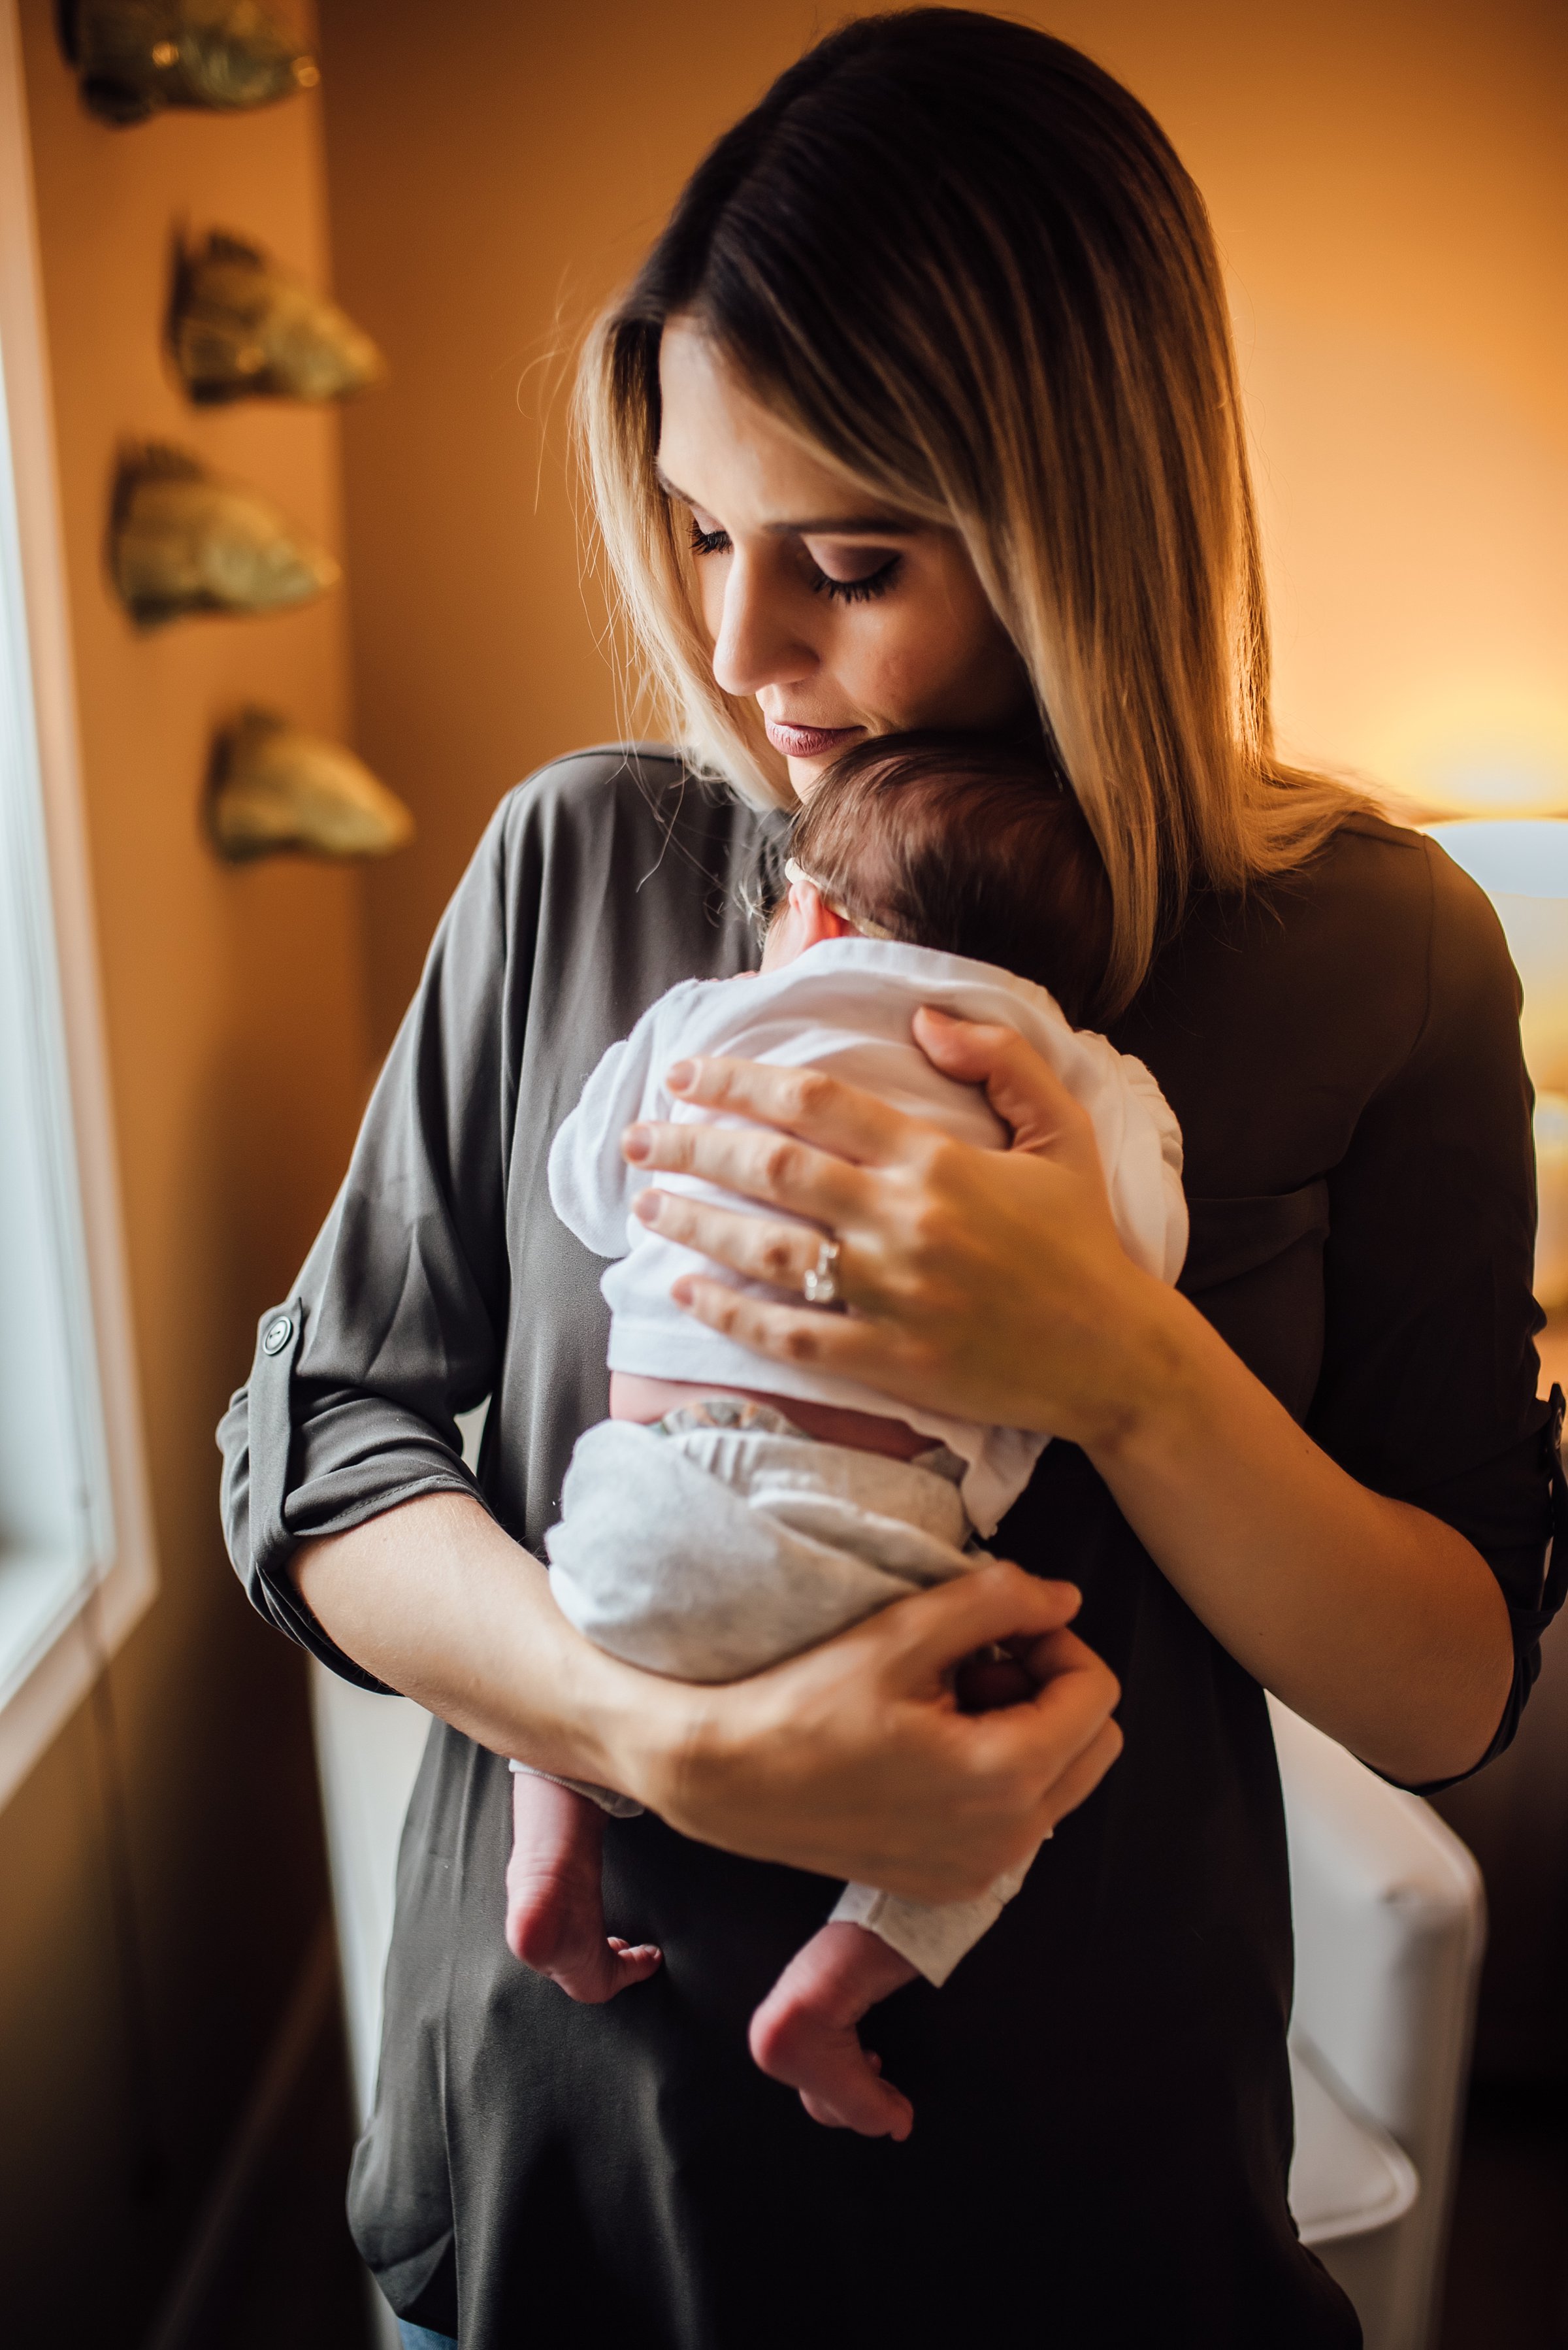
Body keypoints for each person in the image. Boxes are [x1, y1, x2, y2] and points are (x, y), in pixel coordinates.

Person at [218, 14, 1562, 2347]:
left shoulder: (1372, 949)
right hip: (558, 2170)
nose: (744, 650)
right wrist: (644, 1730)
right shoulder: (589, 865)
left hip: (1080, 2194)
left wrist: (1118, 1365)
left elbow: (1454, 1683)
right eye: (705, 529)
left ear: (1083, 513)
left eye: (843, 556)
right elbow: (310, 1444)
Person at [502, 734, 1188, 2143]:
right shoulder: (1063, 1069)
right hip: (867, 1541)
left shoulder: (718, 1010)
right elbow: (1144, 1262)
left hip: (635, 1507)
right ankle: (828, 1993)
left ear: (807, 912)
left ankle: (549, 1859)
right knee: (1040, 1748)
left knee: (557, 1641)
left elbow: (585, 1186)